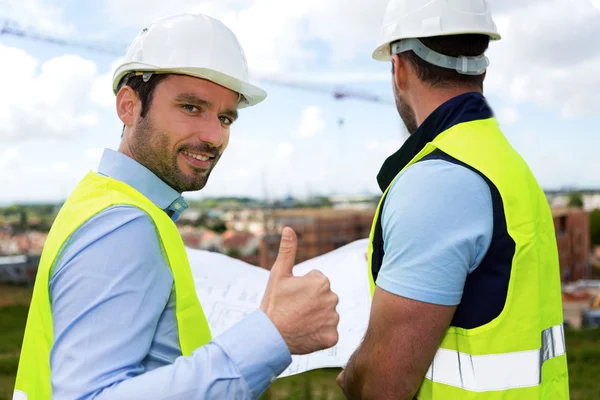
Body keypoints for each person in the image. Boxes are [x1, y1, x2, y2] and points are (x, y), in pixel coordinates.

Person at [14, 13, 340, 400]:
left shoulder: (104, 201)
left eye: (225, 117)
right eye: (190, 108)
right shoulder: (123, 226)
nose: (214, 136)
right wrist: (273, 334)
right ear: (129, 107)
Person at [337, 0, 569, 398]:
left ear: (398, 68)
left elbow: (382, 385)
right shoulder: (504, 163)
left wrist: (350, 375)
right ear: (482, 65)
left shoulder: (438, 183)